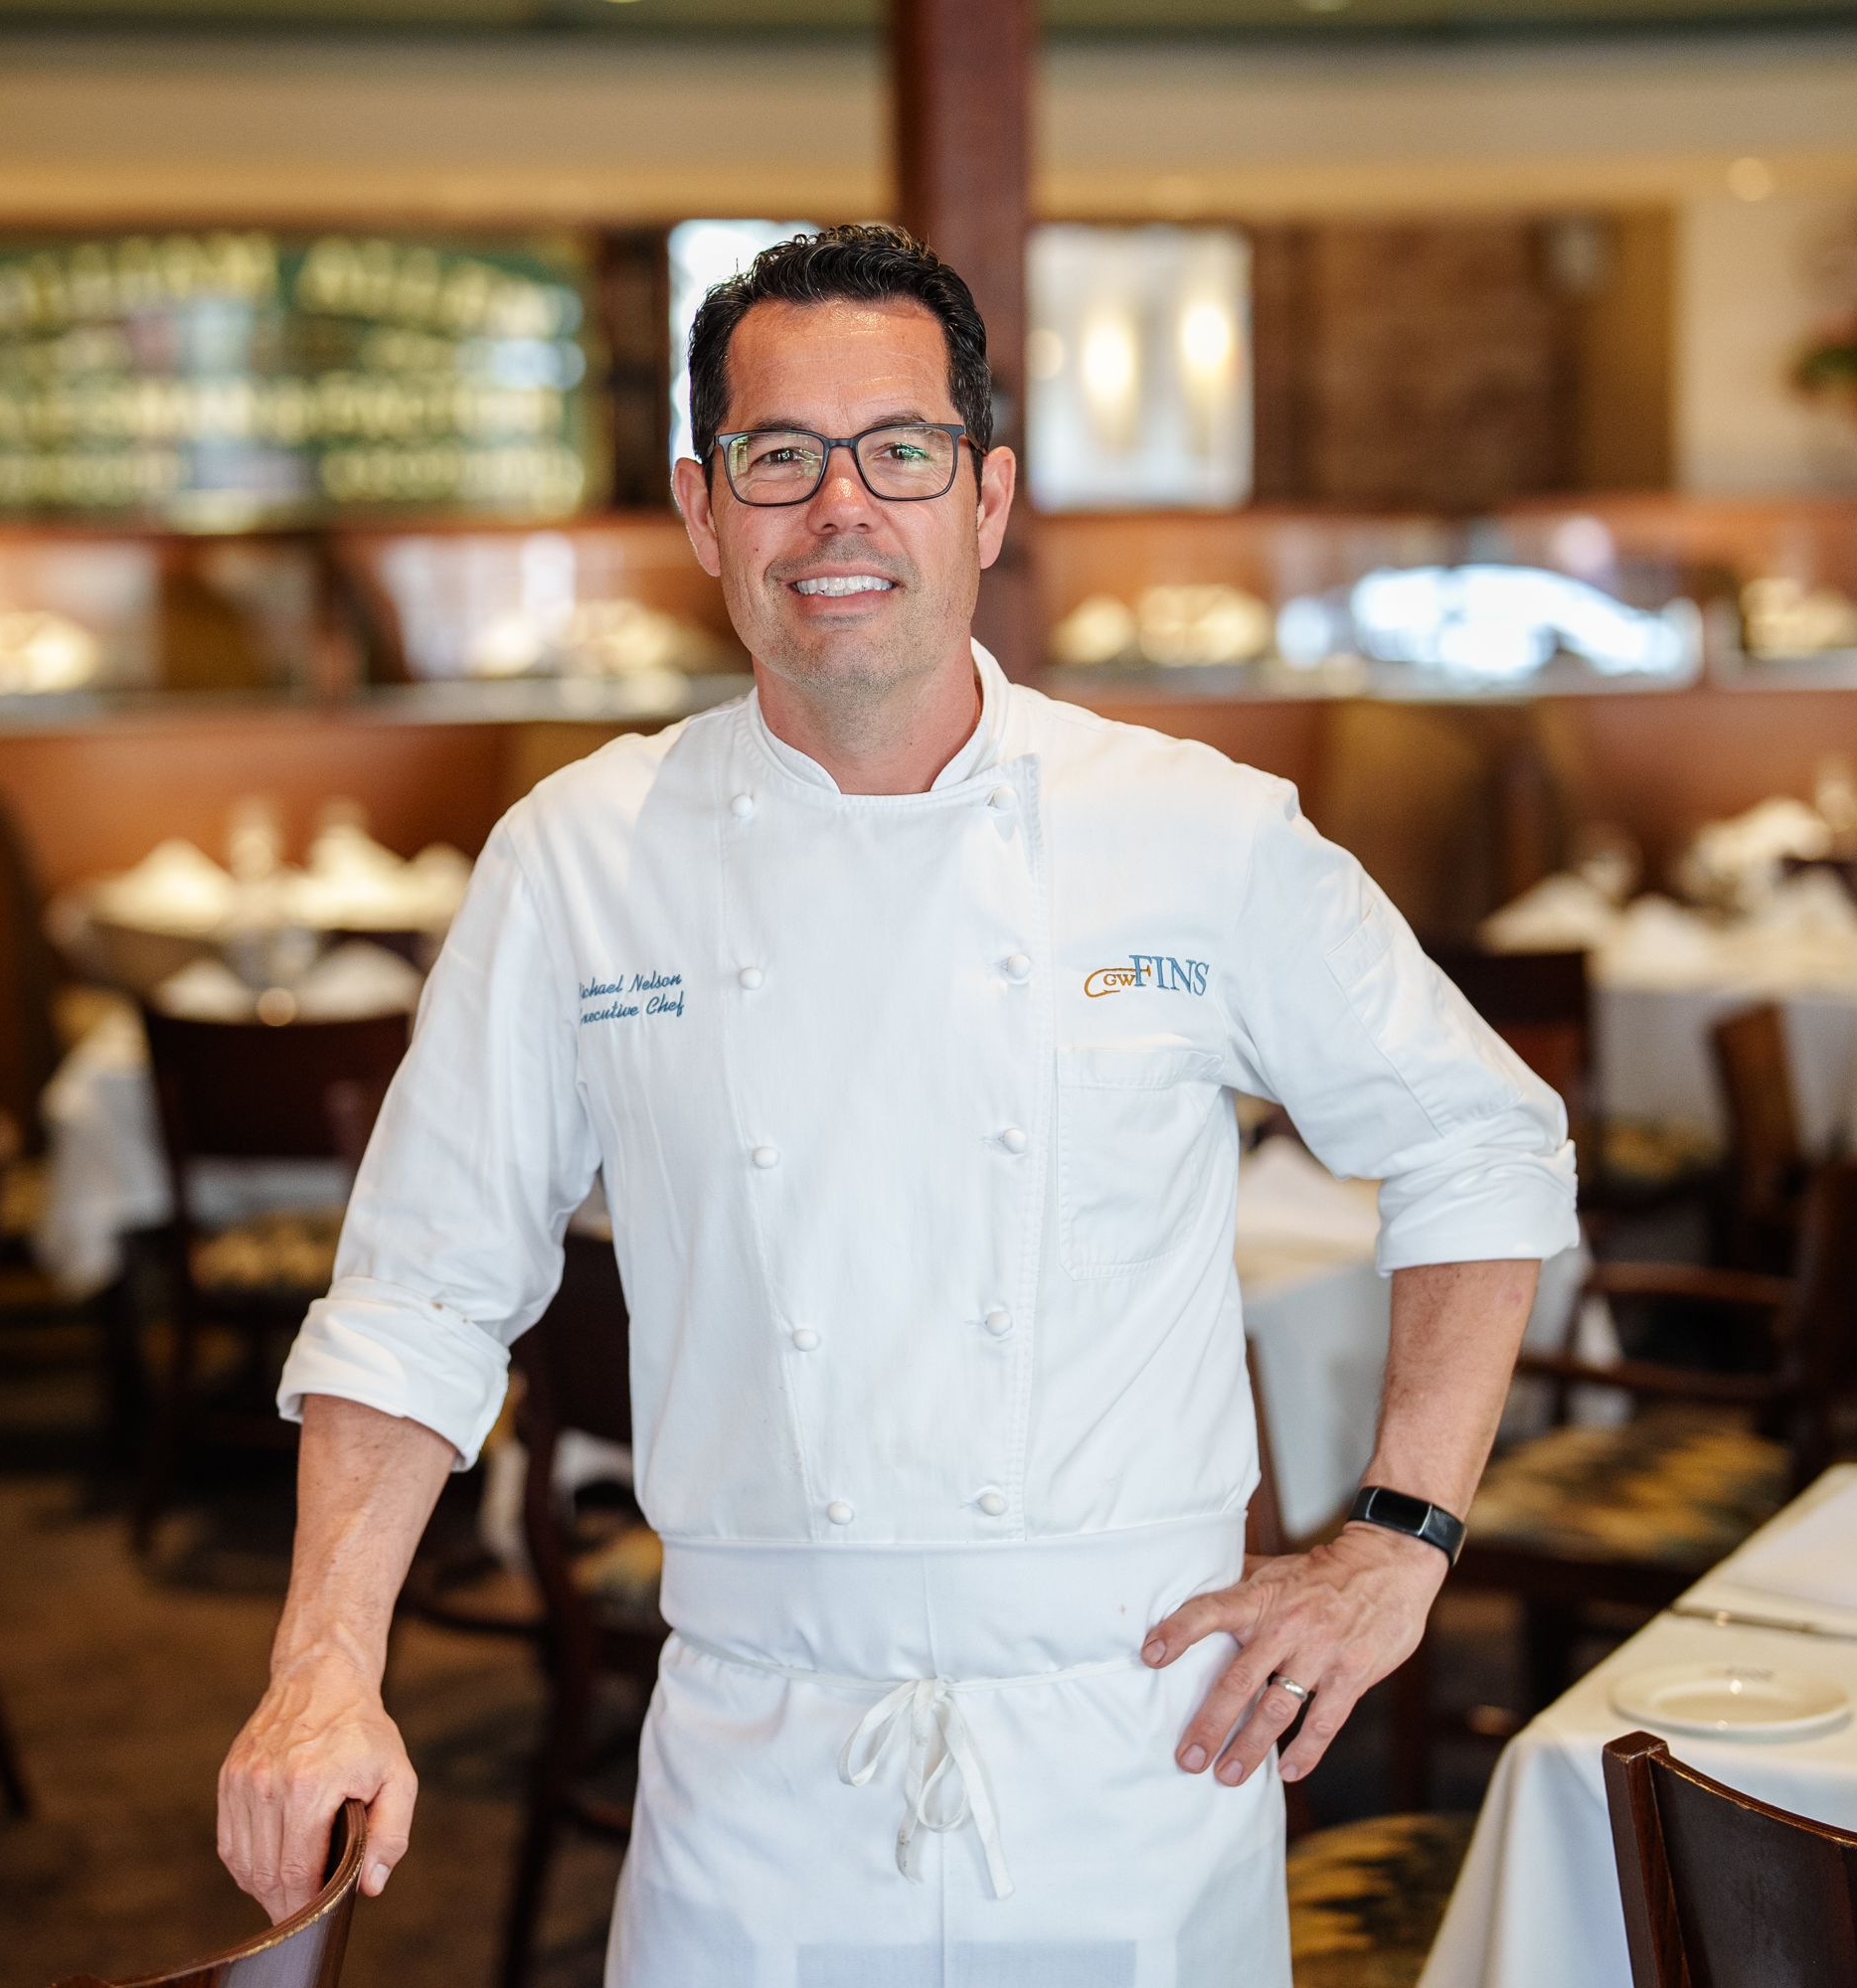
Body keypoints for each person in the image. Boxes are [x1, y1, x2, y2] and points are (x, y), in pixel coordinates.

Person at [218, 224, 1576, 1983]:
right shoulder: (580, 860)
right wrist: (324, 1661)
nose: (839, 508)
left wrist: (1397, 1541)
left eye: (901, 453)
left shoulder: (1199, 830)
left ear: (986, 498)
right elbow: (419, 1296)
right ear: (706, 512)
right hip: (752, 1761)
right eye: (780, 457)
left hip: (1143, 1738)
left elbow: (1480, 1138)